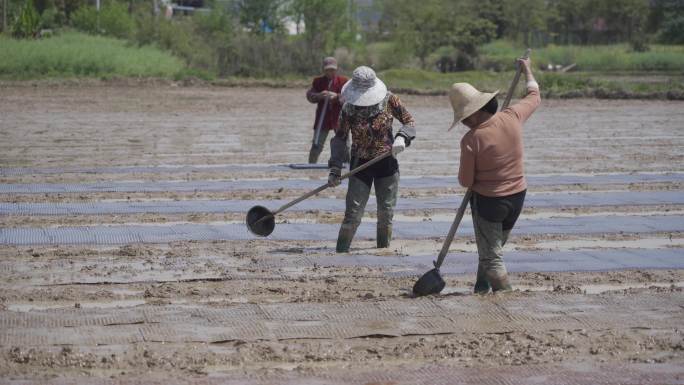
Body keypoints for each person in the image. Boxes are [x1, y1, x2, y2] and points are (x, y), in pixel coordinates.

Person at [449, 57, 540, 293]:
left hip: (490, 202)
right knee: (492, 248)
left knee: (492, 258)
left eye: (465, 117)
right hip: (517, 197)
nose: (464, 123)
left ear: (475, 113)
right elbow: (534, 96)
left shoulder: (471, 139)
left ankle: (506, 297)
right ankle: (481, 289)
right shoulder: (512, 116)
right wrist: (528, 70)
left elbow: (465, 181)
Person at [328, 66, 416, 252]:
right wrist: (335, 168)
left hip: (387, 161)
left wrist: (402, 137)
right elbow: (340, 138)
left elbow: (409, 121)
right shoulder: (348, 108)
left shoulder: (389, 100)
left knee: (386, 211)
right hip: (360, 165)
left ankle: (382, 249)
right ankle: (341, 251)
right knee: (353, 213)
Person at [305, 57, 349, 164]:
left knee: (345, 146)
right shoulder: (318, 82)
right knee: (316, 145)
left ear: (336, 69)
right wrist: (319, 95)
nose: (330, 72)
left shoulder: (344, 82)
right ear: (324, 70)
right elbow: (310, 95)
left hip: (339, 120)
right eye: (328, 70)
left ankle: (349, 168)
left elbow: (349, 98)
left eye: (332, 70)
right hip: (322, 120)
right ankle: (311, 167)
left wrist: (337, 97)